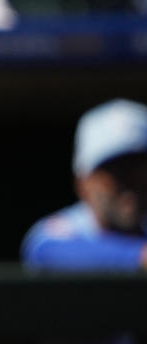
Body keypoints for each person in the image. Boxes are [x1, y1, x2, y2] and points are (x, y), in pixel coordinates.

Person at [22, 98, 147, 271]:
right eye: (115, 171)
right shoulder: (59, 233)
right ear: (83, 183)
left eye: (139, 168)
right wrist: (138, 257)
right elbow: (46, 251)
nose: (130, 182)